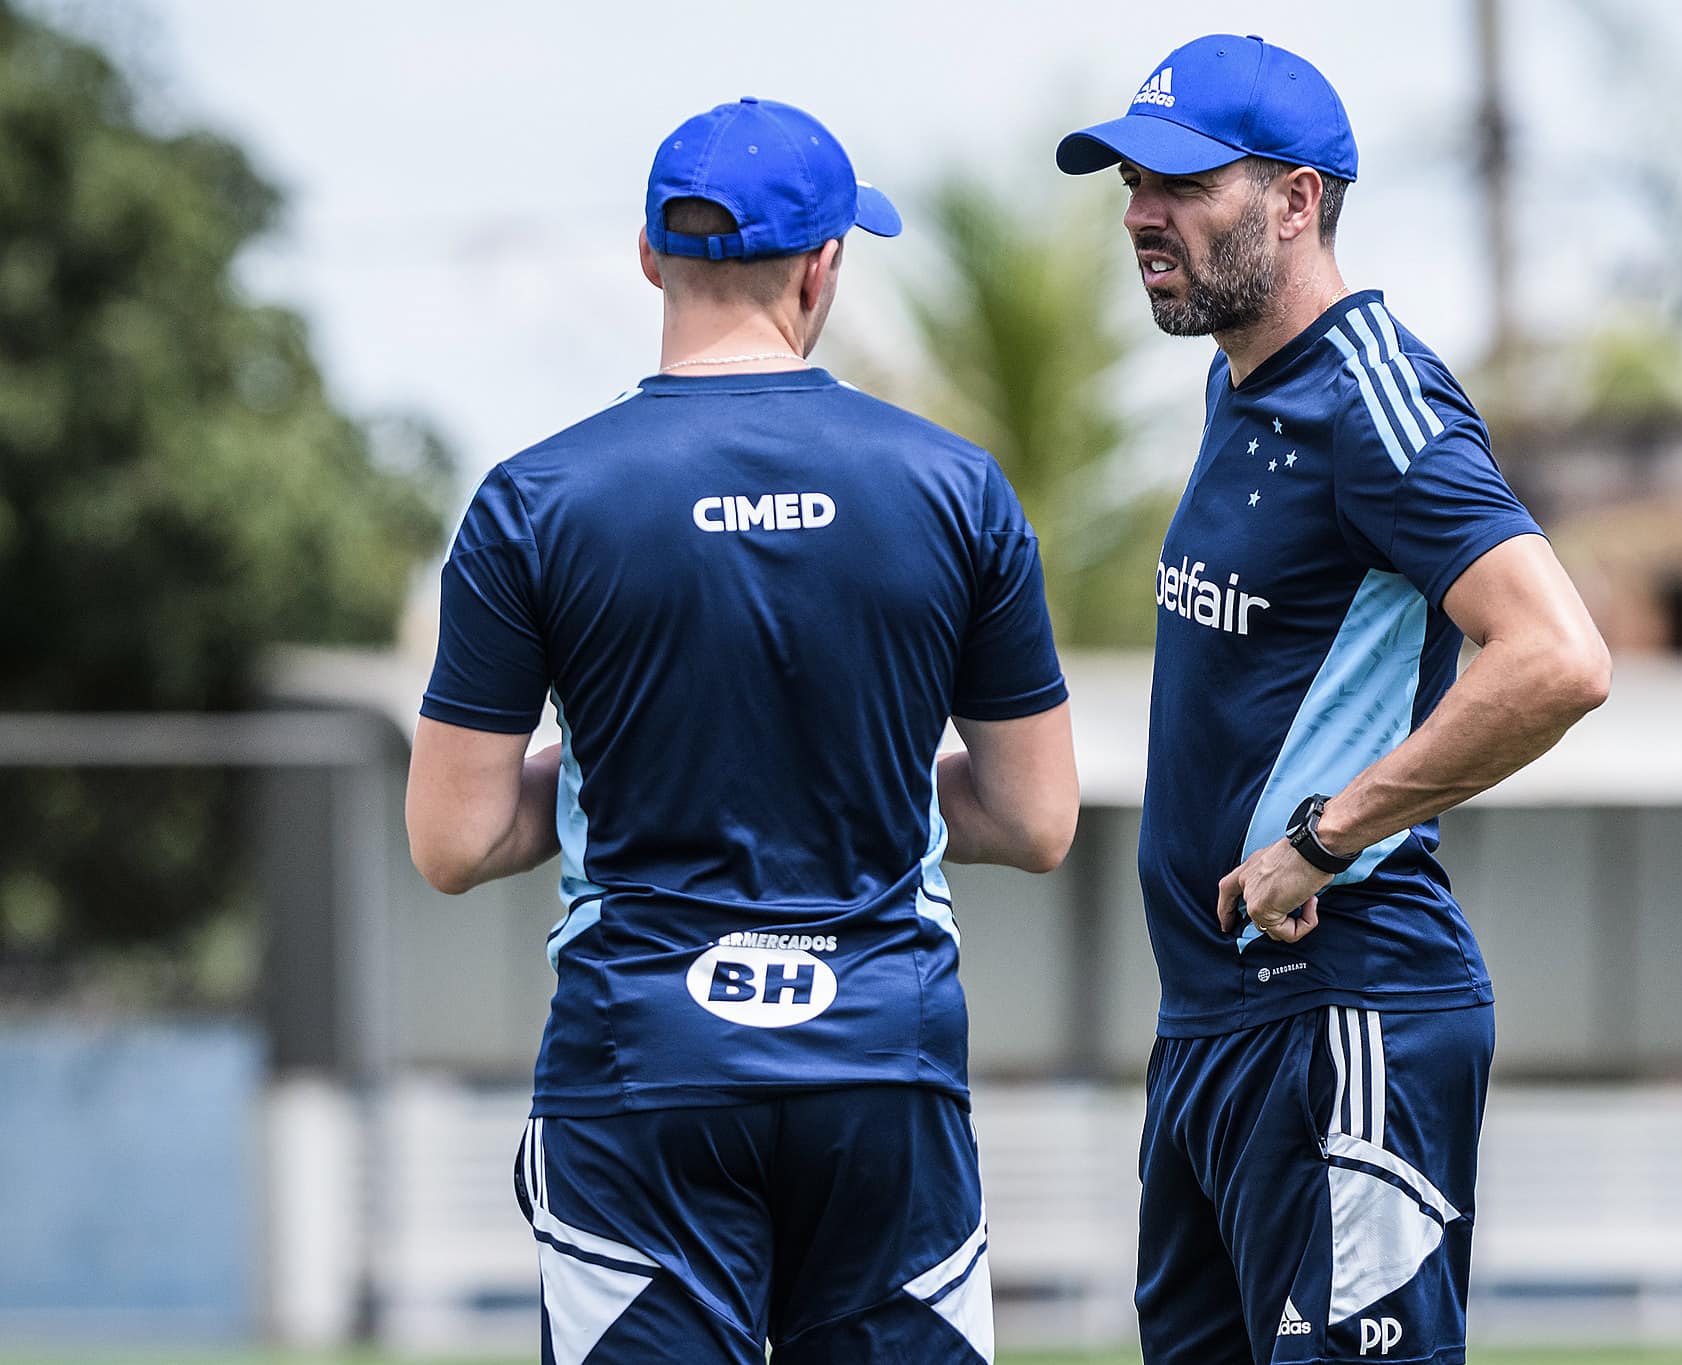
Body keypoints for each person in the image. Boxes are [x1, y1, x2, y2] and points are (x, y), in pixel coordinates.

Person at [405, 96, 1077, 1365]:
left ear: (651, 255)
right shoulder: (952, 487)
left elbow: (453, 837)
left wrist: (631, 758)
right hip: (885, 1055)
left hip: (639, 1061)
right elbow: (1034, 818)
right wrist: (841, 765)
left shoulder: (533, 501)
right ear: (824, 266)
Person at [1056, 35, 1610, 1365]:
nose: (1142, 213)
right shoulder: (1237, 386)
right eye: (1134, 182)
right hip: (1213, 1029)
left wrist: (1322, 838)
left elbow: (1556, 657)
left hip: (1344, 1013)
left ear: (1298, 202)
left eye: (1184, 185)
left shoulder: (1376, 403)